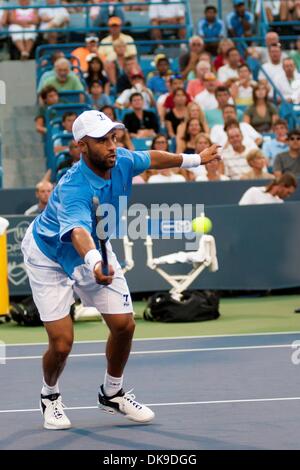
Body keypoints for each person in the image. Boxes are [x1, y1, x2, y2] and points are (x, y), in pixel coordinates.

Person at [21, 109, 220, 430]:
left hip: (95, 247)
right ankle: (50, 395)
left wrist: (195, 159)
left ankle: (112, 392)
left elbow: (152, 157)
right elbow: (77, 234)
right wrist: (94, 263)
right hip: (50, 255)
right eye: (102, 140)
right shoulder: (73, 187)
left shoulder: (121, 159)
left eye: (113, 137)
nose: (112, 145)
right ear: (82, 146)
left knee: (124, 325)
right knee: (61, 343)